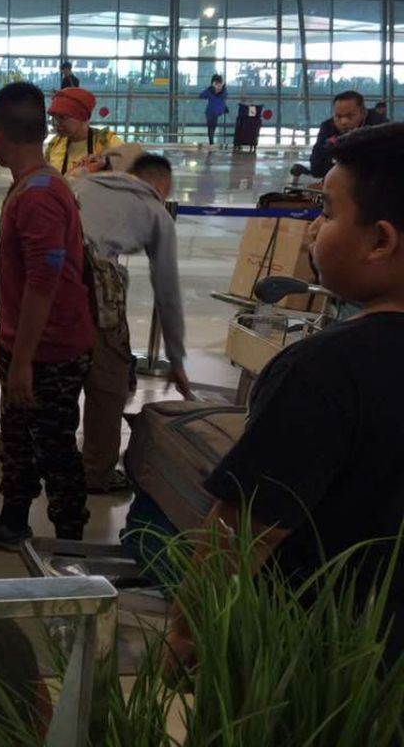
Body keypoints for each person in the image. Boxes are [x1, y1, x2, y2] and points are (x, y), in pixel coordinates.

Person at [166, 122, 404, 668]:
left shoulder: (326, 367)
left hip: (313, 669)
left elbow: (247, 526)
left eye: (327, 212)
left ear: (380, 240)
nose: (314, 229)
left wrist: (184, 632)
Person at [0, 82, 96, 548]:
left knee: (53, 447)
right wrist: (9, 342)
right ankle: (13, 523)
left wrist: (25, 358)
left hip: (50, 350)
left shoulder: (37, 196)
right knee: (17, 437)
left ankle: (72, 544)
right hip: (29, 344)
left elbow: (44, 282)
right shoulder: (36, 183)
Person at [70, 148, 192, 494]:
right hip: (96, 283)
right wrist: (177, 359)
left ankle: (27, 449)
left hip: (54, 279)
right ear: (163, 184)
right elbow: (166, 287)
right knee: (109, 383)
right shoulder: (156, 211)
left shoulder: (86, 184)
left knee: (52, 371)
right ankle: (97, 471)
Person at [44, 87, 123, 177]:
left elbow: (131, 173)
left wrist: (107, 164)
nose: (55, 123)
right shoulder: (55, 144)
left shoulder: (107, 142)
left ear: (83, 117)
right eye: (53, 117)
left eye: (62, 117)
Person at [308, 90, 385, 178]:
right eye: (338, 116)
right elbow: (316, 168)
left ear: (363, 113)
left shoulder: (379, 127)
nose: (344, 122)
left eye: (350, 116)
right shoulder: (328, 127)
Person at [199, 74, 228, 146]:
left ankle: (211, 143)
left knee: (211, 128)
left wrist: (211, 88)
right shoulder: (223, 91)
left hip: (211, 112)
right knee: (212, 127)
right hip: (216, 112)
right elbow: (225, 96)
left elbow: (201, 95)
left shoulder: (210, 90)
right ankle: (211, 143)